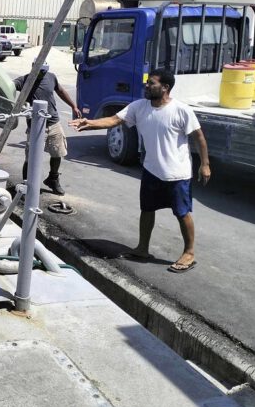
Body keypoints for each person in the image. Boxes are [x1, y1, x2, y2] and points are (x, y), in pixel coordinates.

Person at [69, 69, 210, 273]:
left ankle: (189, 252)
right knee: (147, 210)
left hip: (177, 174)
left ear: (165, 87)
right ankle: (142, 248)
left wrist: (204, 164)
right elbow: (114, 120)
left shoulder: (181, 110)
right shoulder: (139, 106)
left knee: (182, 213)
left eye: (151, 83)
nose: (146, 86)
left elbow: (199, 137)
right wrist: (90, 123)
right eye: (147, 83)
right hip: (152, 170)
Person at [13, 62, 81, 195]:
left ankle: (53, 179)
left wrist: (73, 106)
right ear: (33, 66)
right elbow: (7, 86)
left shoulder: (51, 77)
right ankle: (27, 184)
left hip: (54, 122)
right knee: (31, 157)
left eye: (44, 71)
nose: (42, 73)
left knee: (58, 152)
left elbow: (61, 91)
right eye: (39, 71)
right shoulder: (24, 80)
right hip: (36, 127)